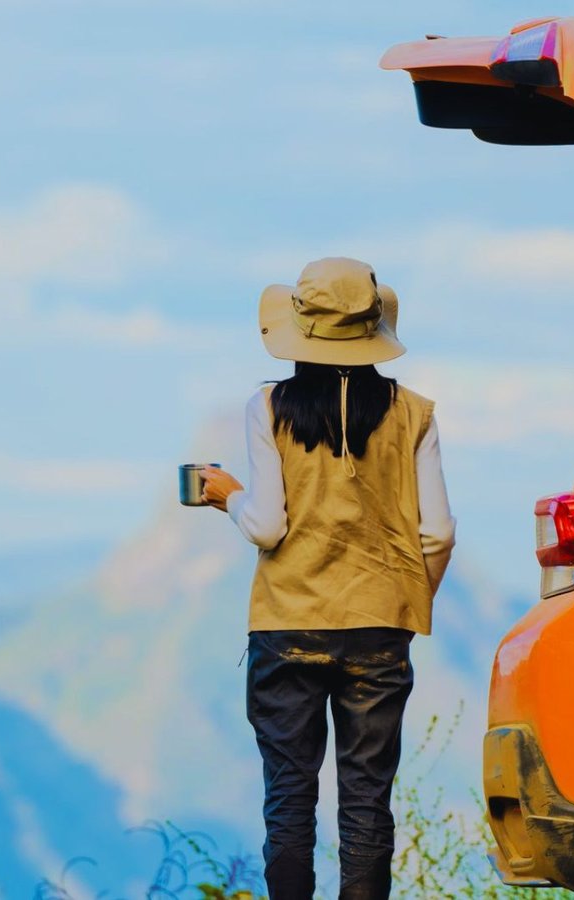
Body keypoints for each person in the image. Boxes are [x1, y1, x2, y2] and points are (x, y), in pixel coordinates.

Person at [199, 257, 455, 900]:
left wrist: (225, 494)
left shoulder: (268, 407)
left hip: (287, 626)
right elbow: (440, 533)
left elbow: (265, 527)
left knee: (289, 797)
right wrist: (405, 601)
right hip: (378, 630)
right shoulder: (415, 413)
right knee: (367, 801)